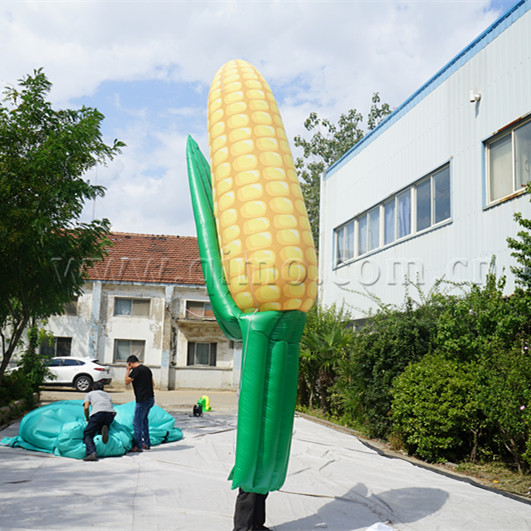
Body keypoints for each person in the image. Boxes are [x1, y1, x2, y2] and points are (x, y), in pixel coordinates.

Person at [125, 354, 155, 452]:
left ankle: (138, 446)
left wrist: (127, 370)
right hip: (150, 398)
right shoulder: (147, 369)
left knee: (137, 423)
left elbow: (127, 381)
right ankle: (146, 443)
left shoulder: (136, 370)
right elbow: (153, 384)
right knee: (144, 421)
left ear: (130, 363)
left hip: (142, 400)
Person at [83, 381, 116, 462]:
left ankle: (92, 452)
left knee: (88, 434)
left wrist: (87, 418)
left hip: (98, 413)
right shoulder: (107, 395)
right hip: (111, 414)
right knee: (99, 428)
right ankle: (103, 428)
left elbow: (86, 408)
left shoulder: (90, 394)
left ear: (93, 388)